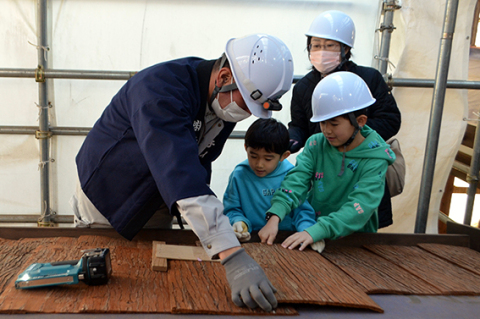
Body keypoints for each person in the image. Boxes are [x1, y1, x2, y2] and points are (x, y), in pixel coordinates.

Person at [70, 33, 294, 312]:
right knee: (105, 287)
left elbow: (198, 160)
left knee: (150, 286)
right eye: (246, 104)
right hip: (108, 195)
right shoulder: (160, 90)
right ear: (224, 77)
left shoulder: (218, 101)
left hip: (159, 197)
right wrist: (232, 254)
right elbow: (179, 170)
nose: (246, 114)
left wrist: (215, 230)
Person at [287, 10, 401, 229]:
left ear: (346, 49)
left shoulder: (368, 79)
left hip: (362, 168)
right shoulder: (303, 87)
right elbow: (299, 126)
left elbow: (390, 120)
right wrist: (290, 139)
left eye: (330, 45)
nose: (321, 51)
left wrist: (353, 131)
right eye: (316, 45)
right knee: (320, 227)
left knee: (361, 238)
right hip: (325, 173)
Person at [259, 71, 396, 253]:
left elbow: (361, 205)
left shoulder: (375, 157)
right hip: (310, 234)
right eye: (322, 123)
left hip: (356, 243)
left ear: (360, 121)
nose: (327, 130)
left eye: (334, 123)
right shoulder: (315, 144)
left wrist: (317, 231)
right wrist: (275, 215)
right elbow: (296, 181)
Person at [223, 118, 316, 242]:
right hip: (251, 240)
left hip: (287, 241)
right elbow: (232, 208)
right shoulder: (239, 175)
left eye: (268, 159)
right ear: (246, 148)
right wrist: (239, 222)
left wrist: (308, 232)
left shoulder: (292, 176)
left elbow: (302, 212)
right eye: (253, 156)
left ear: (284, 156)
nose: (259, 164)